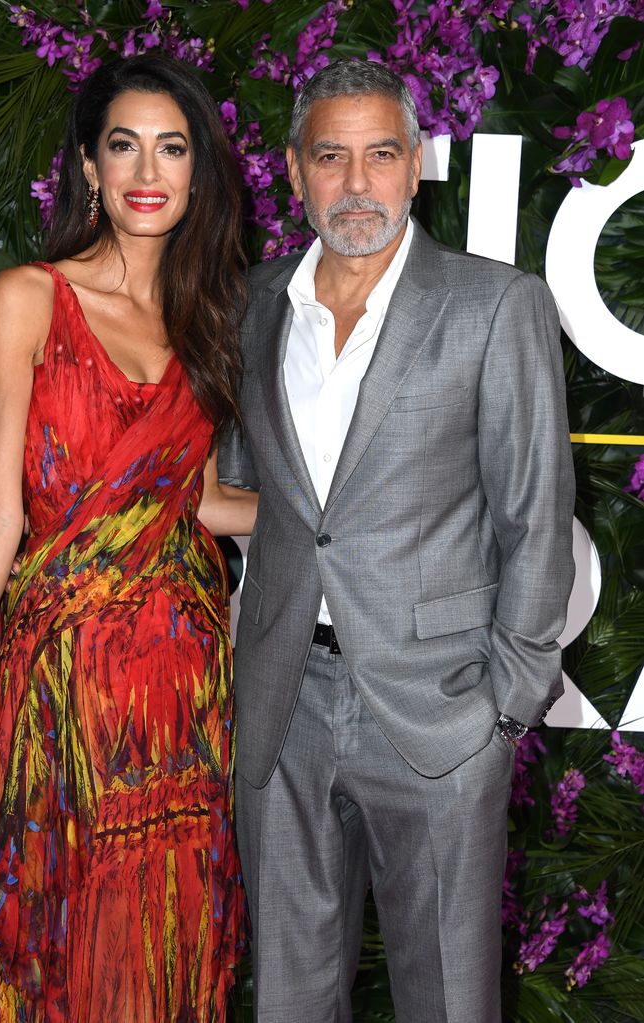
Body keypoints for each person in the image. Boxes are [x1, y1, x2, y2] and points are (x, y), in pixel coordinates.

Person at [219, 60, 575, 1023]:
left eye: (381, 154)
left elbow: (533, 517)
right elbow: (247, 496)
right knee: (288, 999)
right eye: (330, 157)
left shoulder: (493, 305)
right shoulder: (249, 310)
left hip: (440, 710)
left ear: (415, 166)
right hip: (283, 703)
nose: (357, 182)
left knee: (449, 1000)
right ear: (294, 173)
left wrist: (506, 705)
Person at [0, 54, 257, 1023]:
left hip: (179, 695)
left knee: (156, 955)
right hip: (58, 685)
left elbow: (197, 501)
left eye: (173, 148)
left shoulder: (205, 320)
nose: (149, 170)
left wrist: (352, 511)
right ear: (91, 171)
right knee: (42, 944)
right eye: (124, 145)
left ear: (197, 175)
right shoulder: (29, 298)